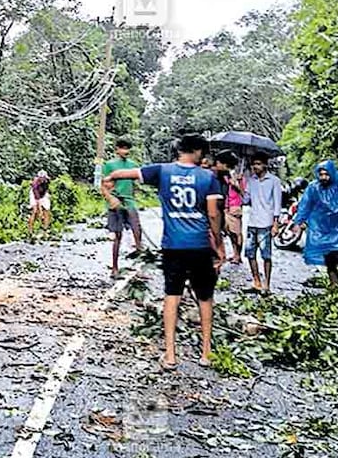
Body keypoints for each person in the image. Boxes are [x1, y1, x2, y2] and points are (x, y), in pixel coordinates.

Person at [102, 135, 225, 369]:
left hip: (173, 245)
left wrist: (110, 178)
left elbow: (128, 174)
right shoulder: (208, 177)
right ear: (198, 151)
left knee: (172, 296)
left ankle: (170, 355)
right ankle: (206, 353)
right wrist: (218, 244)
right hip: (199, 245)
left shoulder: (162, 171)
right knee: (205, 297)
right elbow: (213, 214)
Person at [102, 137, 144, 277]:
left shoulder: (133, 164)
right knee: (117, 236)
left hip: (129, 201)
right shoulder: (109, 165)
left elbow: (136, 183)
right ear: (117, 149)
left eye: (127, 148)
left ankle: (140, 268)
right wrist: (110, 198)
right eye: (123, 148)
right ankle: (114, 268)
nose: (125, 151)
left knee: (137, 231)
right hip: (115, 203)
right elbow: (103, 185)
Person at [244, 152, 283, 293]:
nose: (256, 166)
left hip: (266, 222)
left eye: (259, 163)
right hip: (252, 221)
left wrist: (276, 223)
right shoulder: (251, 180)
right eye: (254, 164)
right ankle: (256, 281)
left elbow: (277, 203)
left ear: (265, 165)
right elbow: (245, 200)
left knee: (266, 255)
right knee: (249, 253)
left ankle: (267, 283)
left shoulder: (274, 181)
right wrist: (238, 185)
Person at [213, 151, 244, 264]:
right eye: (228, 166)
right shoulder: (215, 175)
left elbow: (242, 193)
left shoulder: (231, 176)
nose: (228, 168)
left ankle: (237, 255)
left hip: (230, 208)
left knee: (235, 233)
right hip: (220, 209)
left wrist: (235, 183)